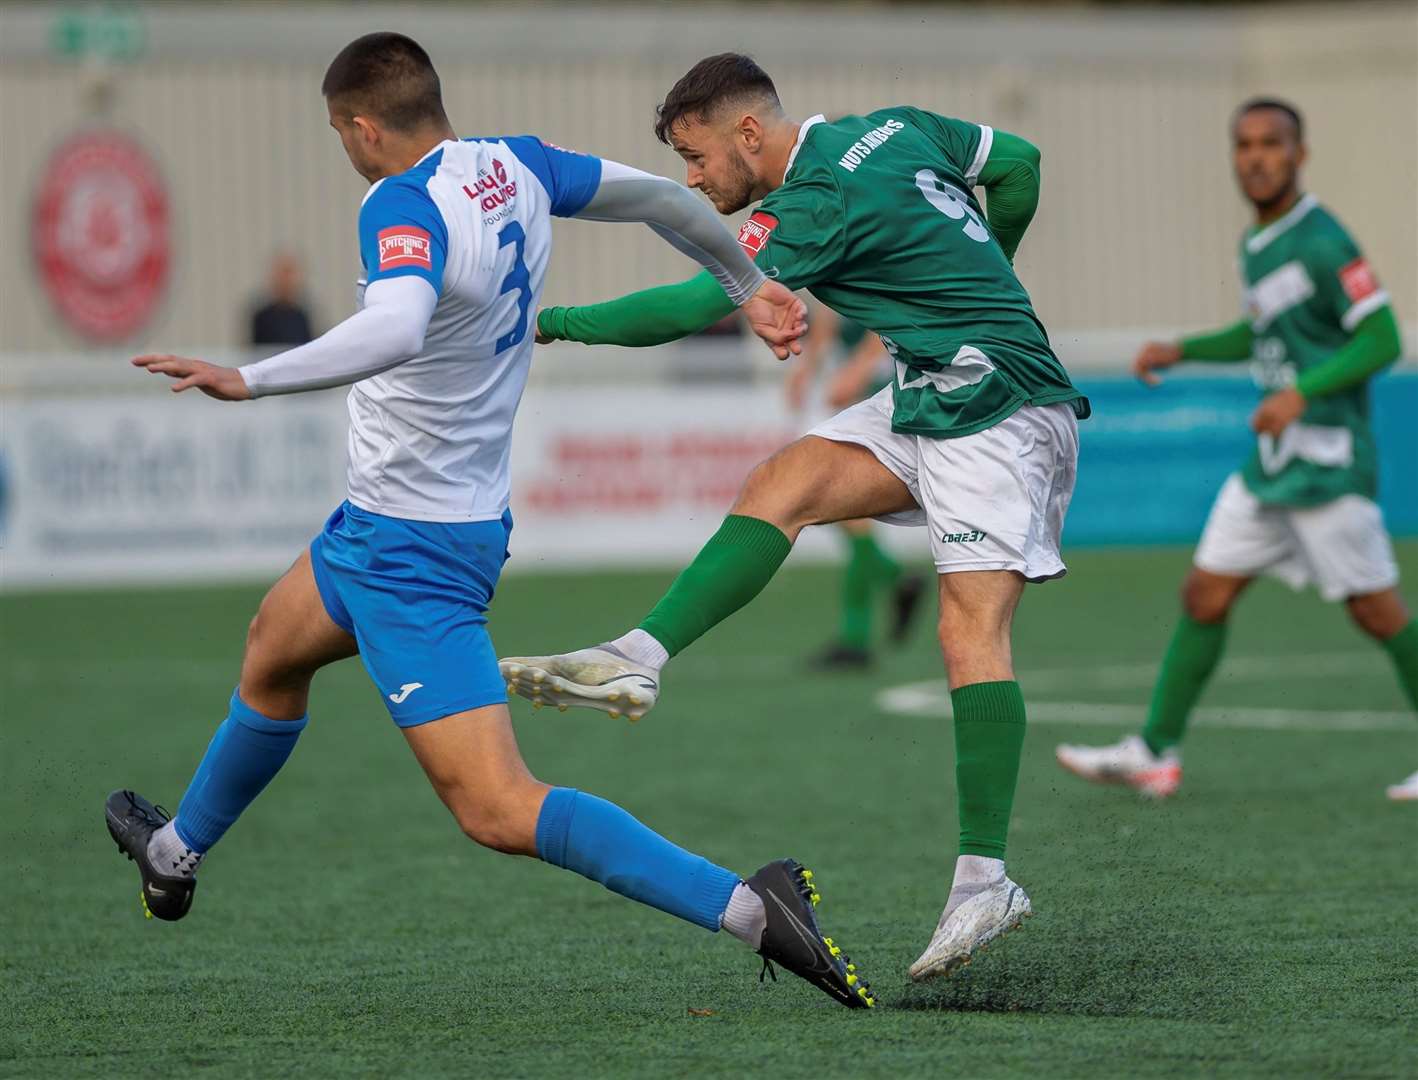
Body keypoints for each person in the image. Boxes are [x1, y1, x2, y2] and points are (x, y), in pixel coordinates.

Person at [104, 32, 877, 1010]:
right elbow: (667, 200)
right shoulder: (515, 163)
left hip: (409, 551)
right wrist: (744, 284)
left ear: (360, 126)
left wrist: (248, 379)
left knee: (497, 808)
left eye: (341, 134)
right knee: (272, 651)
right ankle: (173, 857)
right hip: (392, 525)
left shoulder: (398, 199)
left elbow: (396, 324)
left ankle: (748, 908)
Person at [502, 54, 1089, 981]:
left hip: (1001, 406)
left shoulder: (812, 196)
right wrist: (988, 267)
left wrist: (549, 324)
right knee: (784, 482)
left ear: (747, 132)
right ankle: (639, 658)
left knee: (969, 633)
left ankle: (986, 881)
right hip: (933, 390)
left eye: (696, 158)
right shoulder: (890, 124)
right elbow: (1019, 162)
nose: (693, 181)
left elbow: (700, 299)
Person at [1054, 98, 1415, 802]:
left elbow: (1383, 339)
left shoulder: (1322, 239)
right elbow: (1264, 334)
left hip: (1328, 464)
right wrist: (1184, 349)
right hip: (1272, 467)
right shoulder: (1257, 244)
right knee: (1205, 593)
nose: (1255, 157)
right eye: (1244, 144)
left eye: (1271, 144)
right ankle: (1155, 751)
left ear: (1300, 154)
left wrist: (1301, 392)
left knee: (1378, 612)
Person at [784, 305, 926, 670]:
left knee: (844, 510)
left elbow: (887, 313)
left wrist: (859, 368)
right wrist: (807, 369)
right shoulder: (826, 256)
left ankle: (857, 636)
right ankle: (894, 585)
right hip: (859, 391)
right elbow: (826, 322)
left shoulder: (873, 251)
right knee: (843, 512)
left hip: (889, 387)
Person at [249, 253, 316, 349]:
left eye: (290, 275)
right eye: (283, 275)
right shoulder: (262, 316)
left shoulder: (302, 315)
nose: (287, 281)